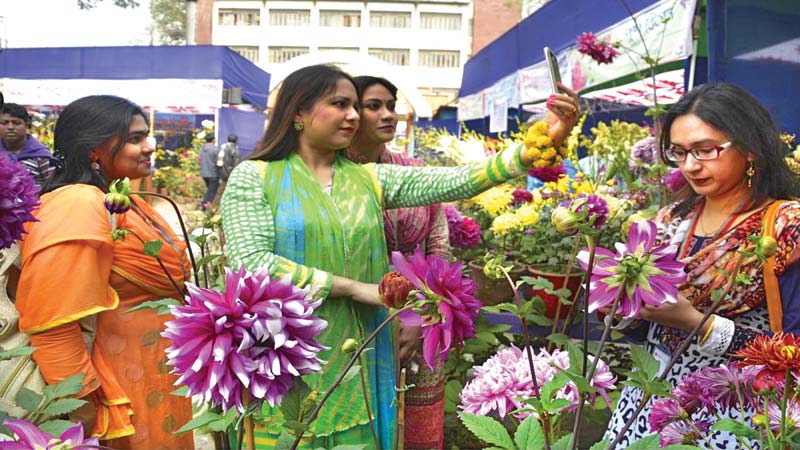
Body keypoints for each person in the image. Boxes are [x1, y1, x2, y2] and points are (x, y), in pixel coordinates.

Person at [221, 64, 580, 449]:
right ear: (297, 112)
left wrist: (532, 149)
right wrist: (353, 288)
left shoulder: (368, 178)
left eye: (356, 106)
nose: (354, 116)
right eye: (340, 104)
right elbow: (252, 263)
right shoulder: (255, 177)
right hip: (283, 354)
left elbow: (456, 178)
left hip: (362, 353)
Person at [604, 83, 800, 447]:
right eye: (679, 152)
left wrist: (697, 324)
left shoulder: (787, 228)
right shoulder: (668, 222)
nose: (691, 166)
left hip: (736, 414)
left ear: (750, 149)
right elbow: (647, 334)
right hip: (647, 406)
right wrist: (622, 308)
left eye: (705, 150)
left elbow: (793, 351)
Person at [16, 95, 194, 448]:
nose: (150, 147)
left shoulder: (128, 202)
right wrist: (78, 405)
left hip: (156, 376)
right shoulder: (76, 204)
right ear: (93, 149)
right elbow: (52, 322)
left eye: (147, 136)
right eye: (134, 139)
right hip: (112, 393)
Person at [344, 75, 451, 449]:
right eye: (374, 106)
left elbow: (439, 245)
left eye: (391, 105)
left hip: (423, 314)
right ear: (351, 113)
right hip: (358, 317)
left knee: (420, 423)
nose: (388, 114)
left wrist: (421, 315)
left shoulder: (414, 170)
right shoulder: (332, 177)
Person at [0, 103, 56, 186]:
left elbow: (54, 188)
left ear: (27, 125)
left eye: (16, 123)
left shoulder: (42, 156)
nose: (10, 127)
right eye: (4, 123)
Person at [199, 133, 219, 210]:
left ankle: (207, 205)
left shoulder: (202, 149)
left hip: (204, 173)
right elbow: (218, 161)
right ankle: (205, 206)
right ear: (213, 140)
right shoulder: (215, 149)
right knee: (211, 191)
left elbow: (200, 160)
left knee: (209, 189)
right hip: (213, 173)